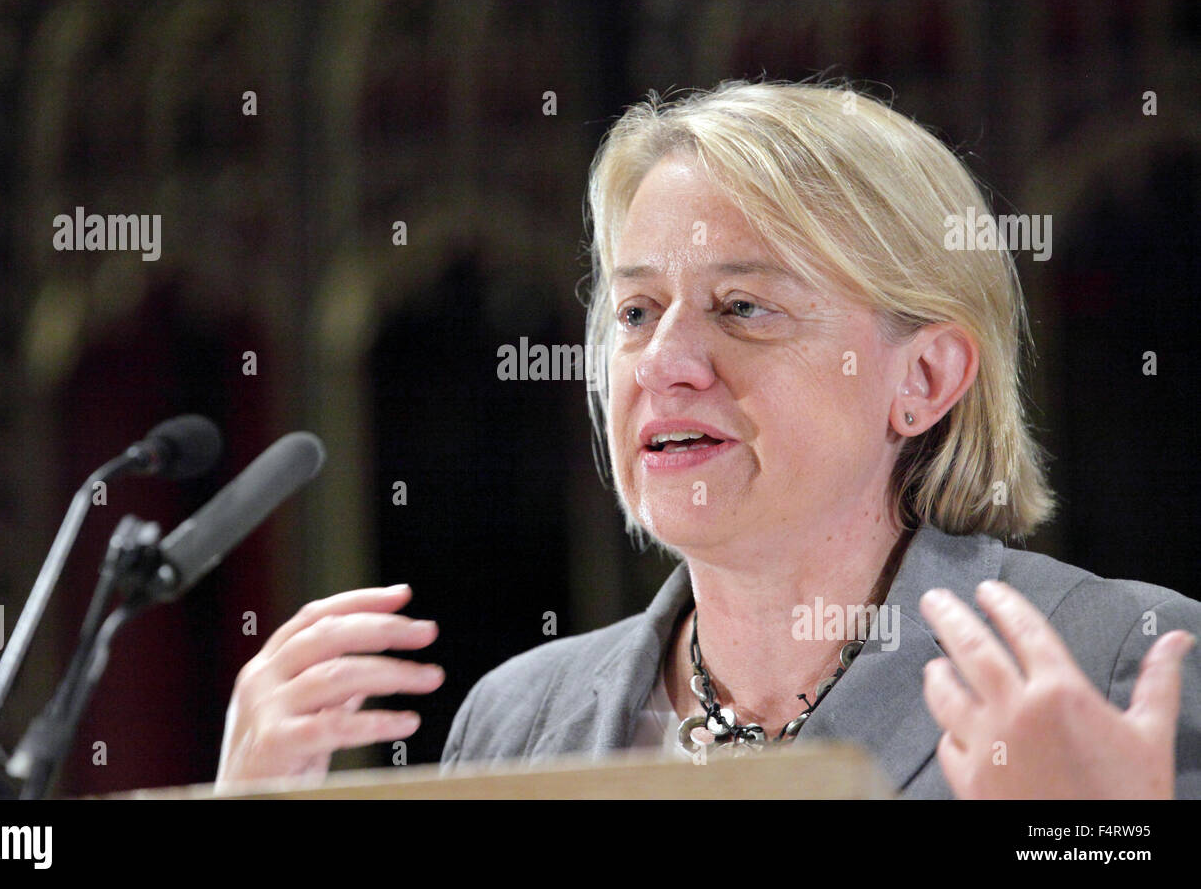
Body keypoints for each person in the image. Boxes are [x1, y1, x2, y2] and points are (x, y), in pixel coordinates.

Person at [216, 79, 1201, 798]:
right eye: (637, 311)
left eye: (741, 306)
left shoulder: (1122, 664)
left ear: (923, 378)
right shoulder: (519, 724)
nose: (665, 362)